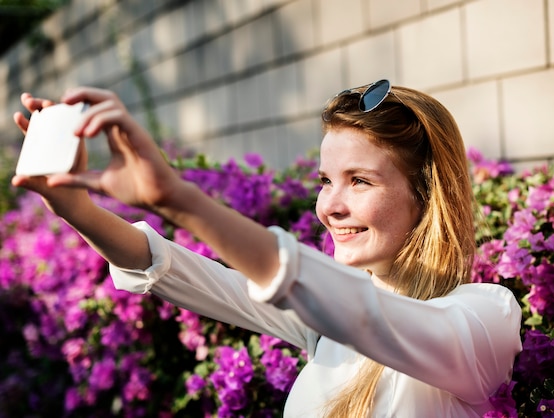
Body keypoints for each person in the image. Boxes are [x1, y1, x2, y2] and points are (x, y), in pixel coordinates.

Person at [12, 79, 522, 417]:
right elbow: (180, 272)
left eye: (360, 181)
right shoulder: (325, 324)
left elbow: (365, 314)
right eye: (326, 180)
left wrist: (177, 198)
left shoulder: (485, 317)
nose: (330, 206)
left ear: (427, 195)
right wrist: (70, 205)